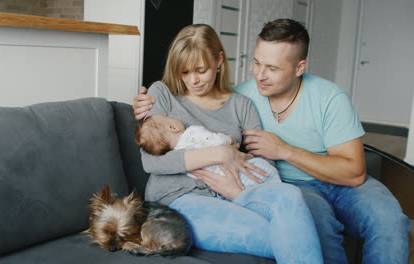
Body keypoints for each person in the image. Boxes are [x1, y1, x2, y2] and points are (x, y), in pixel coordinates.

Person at [134, 19, 410, 264]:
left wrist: (273, 160)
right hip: (197, 194)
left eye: (272, 68)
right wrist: (219, 154)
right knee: (306, 229)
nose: (260, 75)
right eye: (256, 63)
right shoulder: (168, 93)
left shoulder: (249, 102)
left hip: (314, 183)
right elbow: (152, 156)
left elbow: (349, 173)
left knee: (386, 220)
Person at [133, 24, 323, 263]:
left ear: (219, 60)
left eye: (201, 70)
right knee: (286, 237)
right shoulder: (162, 93)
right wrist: (220, 153)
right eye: (184, 72)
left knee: (291, 196)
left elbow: (264, 161)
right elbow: (151, 162)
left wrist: (235, 192)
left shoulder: (240, 105)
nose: (193, 80)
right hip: (179, 199)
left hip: (233, 193)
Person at [135, 114, 281, 188]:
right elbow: (216, 141)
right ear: (173, 128)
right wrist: (230, 140)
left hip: (226, 180)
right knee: (265, 172)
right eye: (168, 117)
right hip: (240, 169)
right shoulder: (192, 132)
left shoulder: (180, 159)